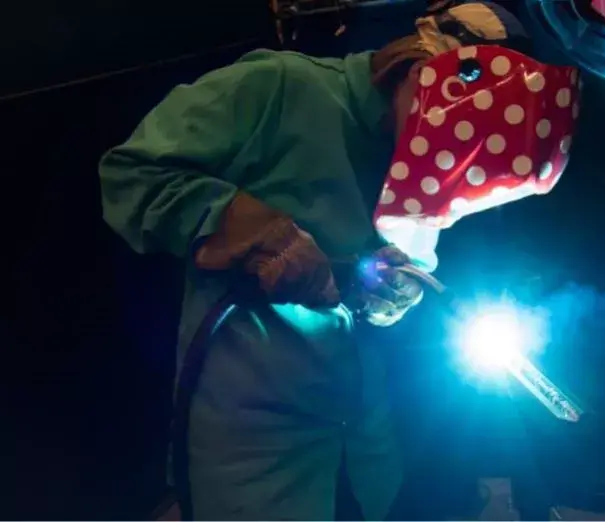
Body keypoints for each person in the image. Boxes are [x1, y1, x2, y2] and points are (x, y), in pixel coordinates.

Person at [99, 1, 578, 519]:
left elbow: (394, 291)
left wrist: (393, 296)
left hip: (363, 452)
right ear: (420, 72)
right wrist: (257, 230)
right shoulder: (278, 88)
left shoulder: (436, 169)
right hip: (252, 452)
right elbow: (130, 175)